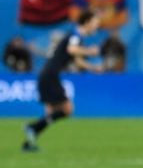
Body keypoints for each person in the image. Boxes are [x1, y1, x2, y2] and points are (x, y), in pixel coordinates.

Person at [22, 10, 102, 152]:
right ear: (87, 22)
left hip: (48, 74)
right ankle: (32, 127)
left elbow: (77, 60)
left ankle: (30, 141)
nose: (97, 26)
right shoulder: (76, 35)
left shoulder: (76, 37)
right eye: (95, 23)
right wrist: (90, 51)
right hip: (50, 75)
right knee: (67, 109)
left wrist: (92, 67)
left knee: (51, 112)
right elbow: (72, 50)